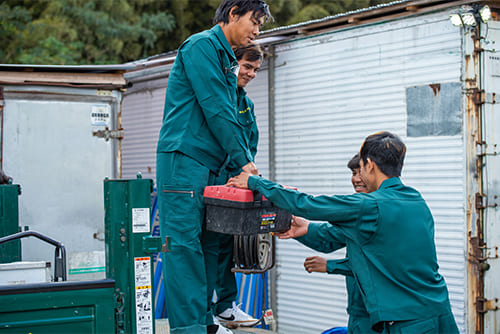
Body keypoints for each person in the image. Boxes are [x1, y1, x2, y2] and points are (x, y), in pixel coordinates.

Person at [227, 131, 459, 333]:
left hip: (409, 322)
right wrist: (306, 229)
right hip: (439, 312)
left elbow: (306, 204)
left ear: (369, 165)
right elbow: (366, 247)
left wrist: (256, 183)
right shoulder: (415, 200)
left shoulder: (368, 205)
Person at [156, 1, 272, 334]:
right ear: (233, 13)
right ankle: (189, 328)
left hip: (209, 166)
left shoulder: (224, 58)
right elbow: (216, 110)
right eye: (255, 21)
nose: (257, 30)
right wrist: (246, 164)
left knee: (209, 244)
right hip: (185, 163)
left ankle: (207, 321)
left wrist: (242, 169)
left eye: (260, 25)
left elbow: (231, 119)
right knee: (184, 248)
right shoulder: (201, 47)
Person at [211, 43, 264, 328]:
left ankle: (226, 307)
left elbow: (250, 143)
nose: (252, 74)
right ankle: (205, 314)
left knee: (226, 247)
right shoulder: (217, 98)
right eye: (247, 67)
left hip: (236, 184)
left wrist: (245, 178)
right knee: (207, 248)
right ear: (232, 64)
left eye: (256, 69)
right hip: (212, 182)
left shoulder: (245, 103)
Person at [298, 154, 377, 334]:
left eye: (361, 172)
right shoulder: (360, 212)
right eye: (353, 173)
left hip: (376, 317)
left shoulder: (380, 212)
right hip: (359, 312)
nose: (356, 179)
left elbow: (376, 266)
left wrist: (329, 265)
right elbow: (330, 238)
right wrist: (296, 228)